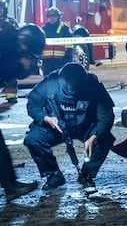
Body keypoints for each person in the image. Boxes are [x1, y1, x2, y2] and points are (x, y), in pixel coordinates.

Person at [23, 62, 115, 192]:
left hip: (85, 126)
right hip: (56, 126)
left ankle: (86, 175)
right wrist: (45, 118)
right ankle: (54, 176)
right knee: (33, 139)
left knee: (105, 139)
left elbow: (106, 115)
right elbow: (33, 103)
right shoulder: (50, 83)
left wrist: (95, 135)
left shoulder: (93, 85)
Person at [0, 23, 46, 201]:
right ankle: (11, 186)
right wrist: (18, 65)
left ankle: (10, 184)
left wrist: (21, 66)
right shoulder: (4, 43)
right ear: (24, 44)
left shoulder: (10, 42)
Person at [41, 6, 73, 75]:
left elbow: (70, 44)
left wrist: (68, 56)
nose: (52, 18)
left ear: (58, 17)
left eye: (54, 16)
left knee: (59, 79)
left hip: (60, 60)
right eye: (50, 16)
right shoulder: (44, 29)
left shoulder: (65, 29)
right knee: (47, 80)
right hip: (47, 61)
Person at [0, 0, 20, 104]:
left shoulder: (11, 22)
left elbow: (18, 36)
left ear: (5, 9)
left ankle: (11, 96)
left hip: (9, 54)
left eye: (1, 8)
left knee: (11, 75)